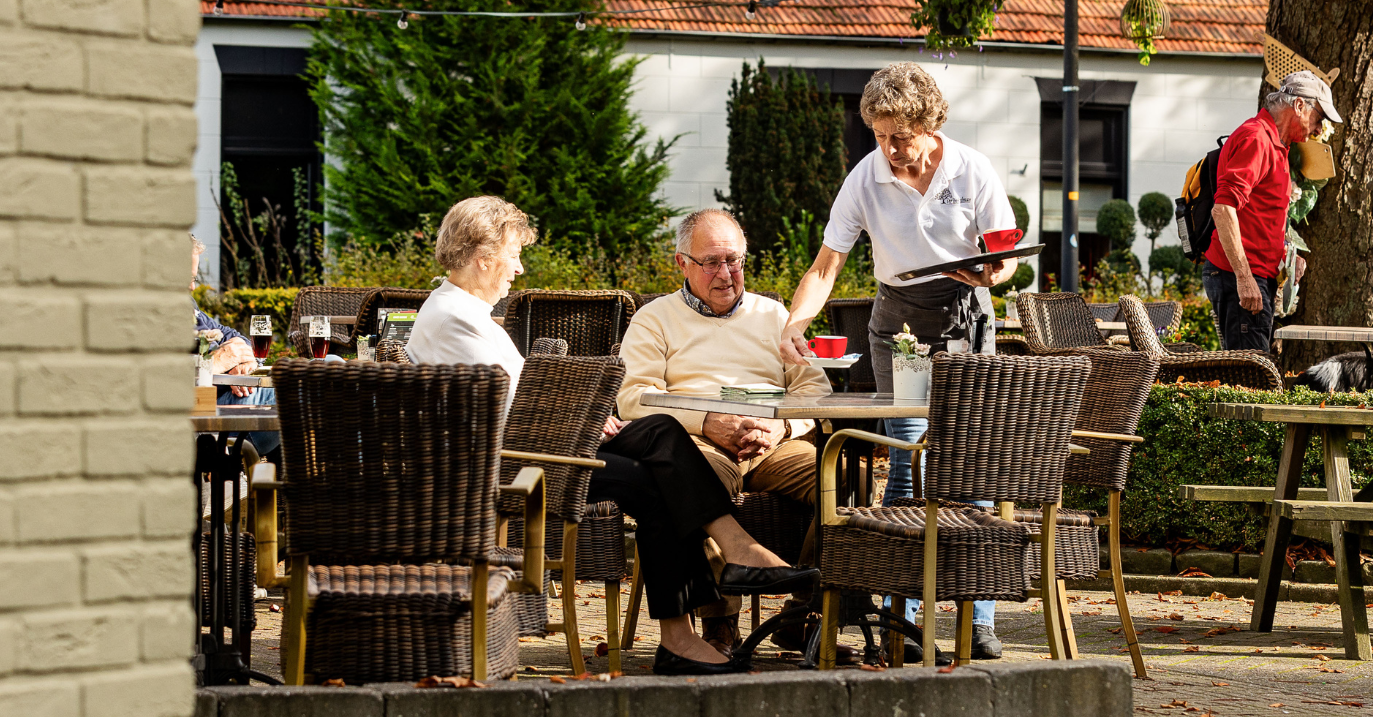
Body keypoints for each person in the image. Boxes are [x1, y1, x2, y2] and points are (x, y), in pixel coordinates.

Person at [405, 196, 816, 675]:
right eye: (514, 255)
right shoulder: (454, 317)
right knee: (661, 458)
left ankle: (702, 609)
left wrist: (584, 411)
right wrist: (582, 413)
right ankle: (709, 594)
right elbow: (517, 406)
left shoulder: (463, 311)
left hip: (534, 449)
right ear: (484, 258)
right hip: (517, 463)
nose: (519, 268)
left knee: (660, 445)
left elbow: (523, 395)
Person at [774, 62, 1019, 662]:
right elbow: (826, 266)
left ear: (930, 125)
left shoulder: (972, 169)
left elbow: (1007, 256)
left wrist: (994, 272)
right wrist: (794, 324)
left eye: (901, 137)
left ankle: (978, 619)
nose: (891, 149)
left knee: (971, 467)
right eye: (881, 136)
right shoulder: (866, 177)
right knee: (907, 462)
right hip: (899, 324)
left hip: (965, 315)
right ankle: (902, 622)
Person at [617, 209, 835, 656]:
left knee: (845, 477)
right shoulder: (654, 319)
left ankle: (802, 617)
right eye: (711, 262)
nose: (725, 273)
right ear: (682, 263)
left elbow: (815, 388)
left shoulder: (775, 316)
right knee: (687, 482)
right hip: (698, 444)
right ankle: (720, 623)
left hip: (773, 445)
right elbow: (633, 397)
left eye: (733, 260)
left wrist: (783, 425)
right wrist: (706, 423)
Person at [1203, 71, 1338, 353]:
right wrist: (1244, 279)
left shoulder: (1276, 144)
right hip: (1239, 276)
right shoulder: (1257, 138)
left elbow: (1261, 214)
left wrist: (1287, 254)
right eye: (1319, 119)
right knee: (1250, 375)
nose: (1318, 130)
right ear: (1299, 106)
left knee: (1252, 370)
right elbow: (1223, 209)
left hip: (1252, 276)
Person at [192, 236, 278, 457]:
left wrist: (243, 363)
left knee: (331, 365)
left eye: (193, 279)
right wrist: (215, 362)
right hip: (210, 417)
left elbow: (234, 336)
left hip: (233, 399)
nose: (192, 287)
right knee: (316, 387)